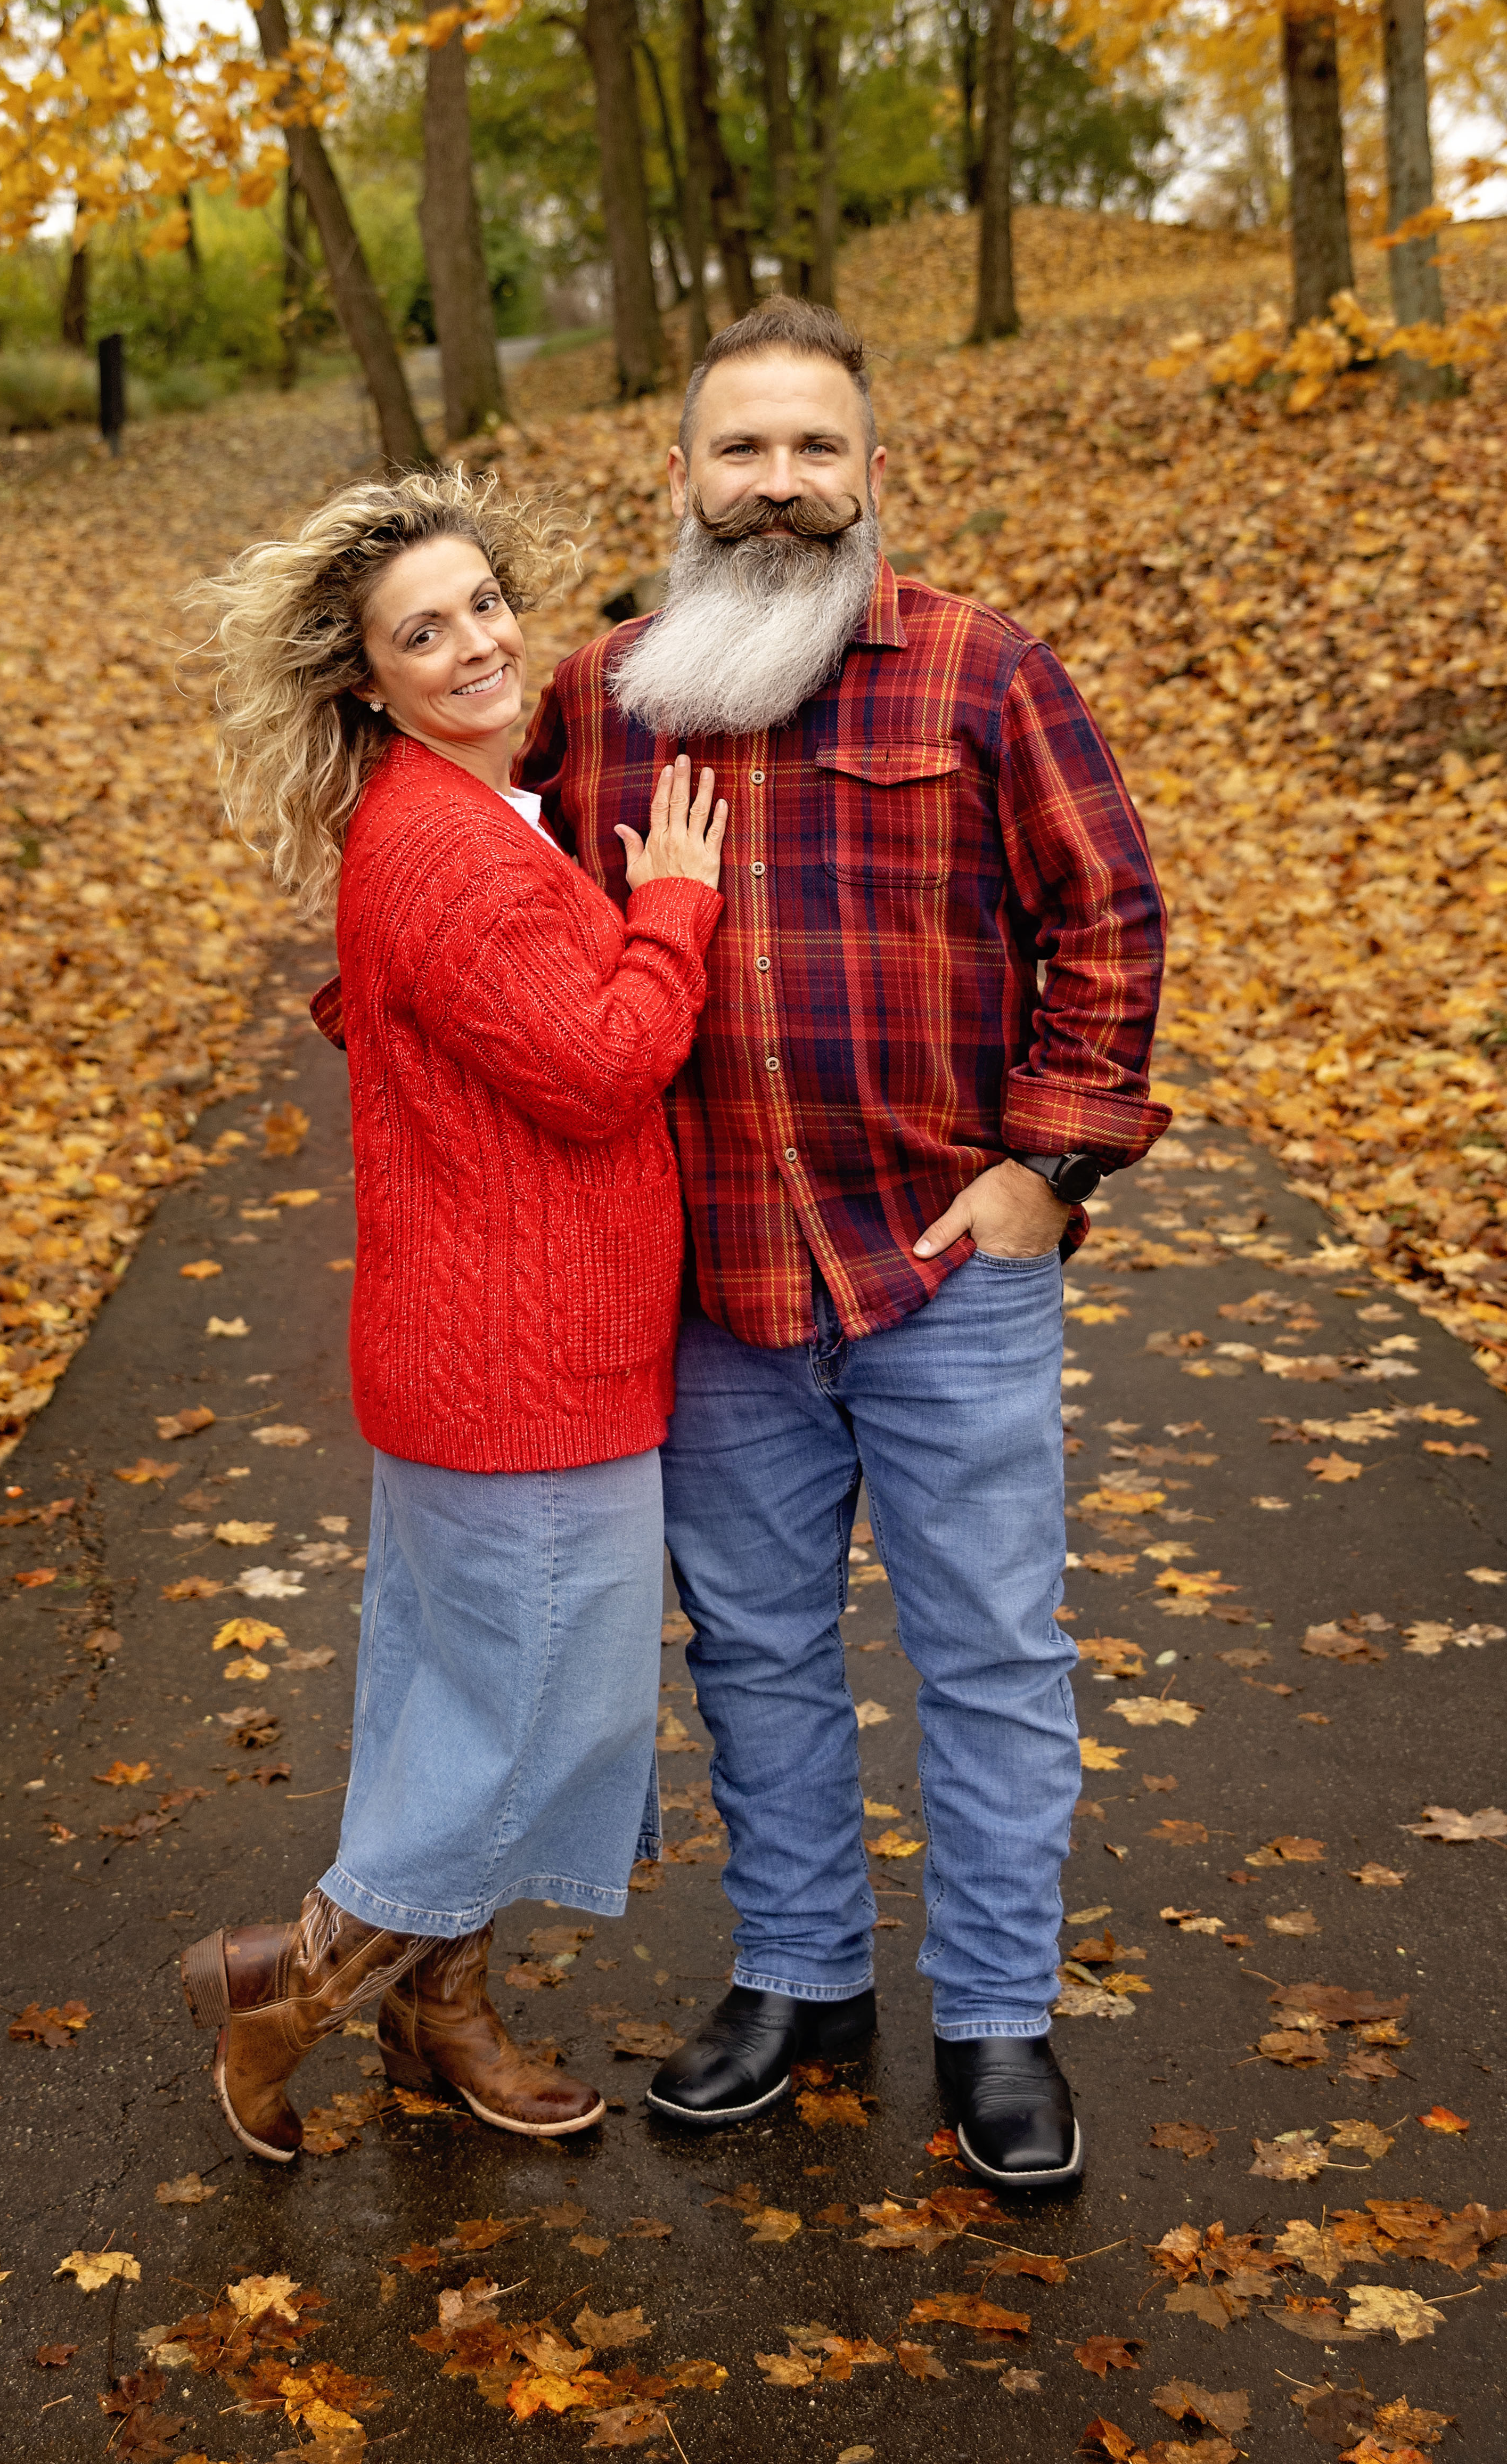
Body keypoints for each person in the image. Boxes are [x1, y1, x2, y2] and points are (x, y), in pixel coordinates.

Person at [515, 299, 1169, 2194]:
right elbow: (516, 937)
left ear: (875, 478)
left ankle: (994, 2017)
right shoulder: (603, 697)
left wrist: (1051, 1165)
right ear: (684, 479)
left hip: (942, 1263)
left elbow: (1109, 916)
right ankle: (800, 1980)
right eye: (745, 451)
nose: (780, 485)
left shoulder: (982, 674)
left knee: (985, 1653)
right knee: (761, 1650)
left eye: (816, 451)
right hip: (711, 1276)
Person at [179, 468, 727, 2160]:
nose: (478, 643)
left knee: (460, 1701)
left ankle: (444, 2013)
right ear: (368, 677)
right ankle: (287, 1982)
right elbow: (602, 1066)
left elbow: (422, 1019)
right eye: (425, 632)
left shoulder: (472, 815)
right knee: (537, 1721)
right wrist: (680, 902)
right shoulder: (445, 849)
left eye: (485, 604)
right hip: (521, 1370)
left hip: (482, 1353)